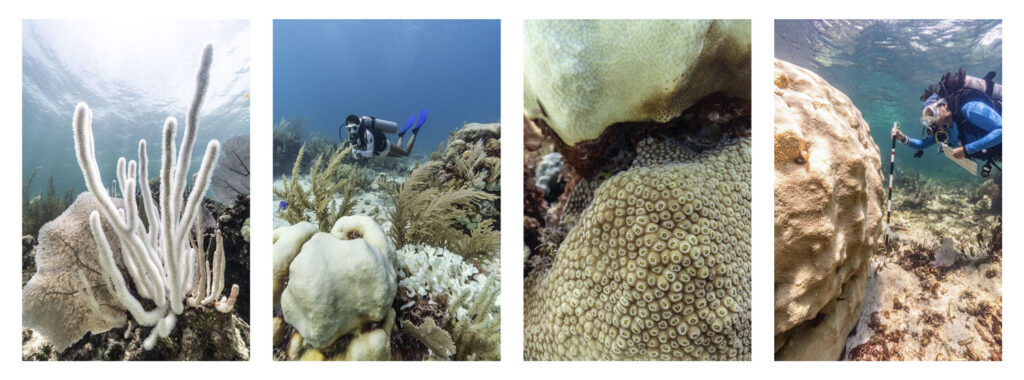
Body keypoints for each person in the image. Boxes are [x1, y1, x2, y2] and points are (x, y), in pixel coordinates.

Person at [891, 69, 1002, 175]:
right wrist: (902, 138)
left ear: (944, 105)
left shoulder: (969, 109)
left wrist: (966, 150)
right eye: (927, 120)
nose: (931, 121)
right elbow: (921, 145)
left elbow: (1002, 130)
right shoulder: (945, 131)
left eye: (931, 113)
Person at [343, 109, 427, 158]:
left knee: (406, 153)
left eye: (354, 128)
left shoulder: (368, 134)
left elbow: (370, 152)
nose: (352, 132)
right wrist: (356, 155)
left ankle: (415, 132)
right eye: (349, 129)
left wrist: (359, 153)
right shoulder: (352, 137)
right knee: (400, 156)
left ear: (358, 125)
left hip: (386, 146)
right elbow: (354, 151)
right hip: (381, 153)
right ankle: (401, 136)